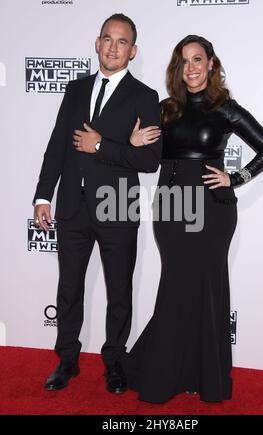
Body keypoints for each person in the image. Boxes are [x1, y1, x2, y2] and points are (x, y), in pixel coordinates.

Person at [122, 35, 263, 403]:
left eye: (198, 59)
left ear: (211, 63)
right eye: (184, 61)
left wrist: (236, 177)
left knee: (207, 287)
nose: (191, 68)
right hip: (172, 205)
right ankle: (174, 371)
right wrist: (132, 143)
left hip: (212, 207)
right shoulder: (165, 109)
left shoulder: (226, 108)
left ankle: (203, 376)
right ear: (178, 68)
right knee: (177, 288)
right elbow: (145, 158)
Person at [33, 13, 162, 393]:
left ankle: (115, 362)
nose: (112, 47)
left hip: (118, 206)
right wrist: (43, 195)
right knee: (69, 288)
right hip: (72, 206)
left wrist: (103, 146)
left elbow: (150, 160)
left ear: (133, 51)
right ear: (97, 42)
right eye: (107, 38)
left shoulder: (145, 97)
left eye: (122, 42)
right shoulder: (74, 91)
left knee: (119, 291)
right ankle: (67, 360)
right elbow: (57, 146)